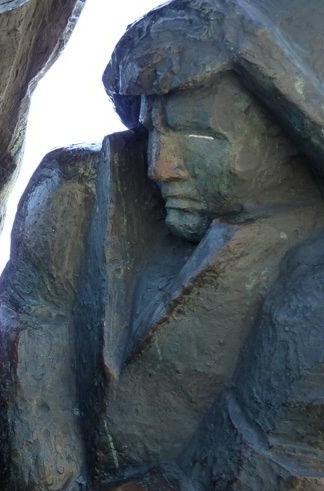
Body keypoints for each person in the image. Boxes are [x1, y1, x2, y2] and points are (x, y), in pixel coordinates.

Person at [96, 0, 324, 488]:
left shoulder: (312, 295)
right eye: (150, 129)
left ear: (289, 128)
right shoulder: (87, 195)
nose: (160, 166)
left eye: (198, 133)